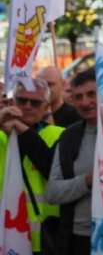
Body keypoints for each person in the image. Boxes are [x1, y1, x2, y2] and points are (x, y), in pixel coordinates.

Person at [0, 79, 66, 254]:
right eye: (22, 101)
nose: (28, 106)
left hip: (43, 240)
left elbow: (52, 169)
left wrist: (21, 130)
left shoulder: (60, 134)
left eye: (35, 102)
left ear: (46, 107)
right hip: (5, 237)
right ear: (13, 102)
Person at [46, 69, 98, 255]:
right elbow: (52, 192)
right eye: (78, 96)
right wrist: (87, 181)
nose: (85, 102)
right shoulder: (69, 137)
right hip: (79, 240)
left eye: (92, 94)